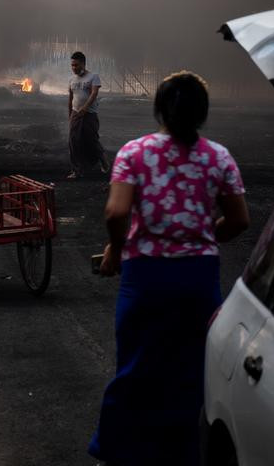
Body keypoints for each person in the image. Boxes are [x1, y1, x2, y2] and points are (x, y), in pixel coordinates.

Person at [89, 71, 250, 466]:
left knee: (135, 364)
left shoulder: (134, 152)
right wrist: (203, 234)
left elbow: (116, 210)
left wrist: (117, 247)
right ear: (202, 112)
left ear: (159, 108)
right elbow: (240, 221)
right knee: (191, 369)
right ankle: (180, 453)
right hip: (198, 278)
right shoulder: (218, 157)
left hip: (146, 277)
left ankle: (119, 451)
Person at [67, 51, 109, 179]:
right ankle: (77, 170)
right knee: (73, 141)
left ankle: (103, 160)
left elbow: (94, 93)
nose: (74, 68)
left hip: (89, 114)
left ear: (83, 64)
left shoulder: (93, 77)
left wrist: (85, 108)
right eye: (72, 65)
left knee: (91, 140)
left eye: (77, 65)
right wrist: (70, 115)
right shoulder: (71, 80)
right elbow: (70, 98)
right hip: (76, 113)